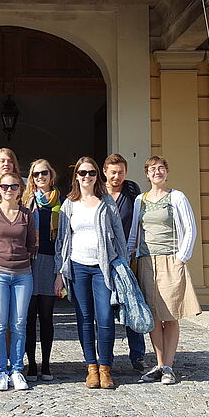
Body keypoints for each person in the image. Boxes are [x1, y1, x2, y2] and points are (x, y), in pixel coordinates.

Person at [54, 157, 127, 390]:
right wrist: (59, 271)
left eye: (91, 173)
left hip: (102, 267)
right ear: (76, 176)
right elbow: (62, 240)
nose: (87, 177)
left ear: (97, 175)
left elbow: (119, 235)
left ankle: (106, 368)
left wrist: (123, 266)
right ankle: (92, 368)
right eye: (83, 173)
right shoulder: (69, 204)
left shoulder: (106, 201)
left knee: (104, 318)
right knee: (84, 318)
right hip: (77, 266)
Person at [127, 156, 200, 385]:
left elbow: (190, 228)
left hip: (170, 260)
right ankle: (159, 364)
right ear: (147, 174)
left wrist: (181, 258)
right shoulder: (140, 200)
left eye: (161, 168)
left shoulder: (177, 197)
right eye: (152, 169)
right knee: (154, 317)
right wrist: (129, 256)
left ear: (167, 172)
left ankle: (169, 365)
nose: (157, 172)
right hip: (147, 261)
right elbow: (134, 231)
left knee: (170, 314)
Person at [0, 171, 37, 392]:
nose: (9, 190)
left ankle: (16, 370)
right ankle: (1, 371)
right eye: (4, 186)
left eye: (13, 186)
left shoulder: (27, 215)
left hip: (23, 274)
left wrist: (19, 259)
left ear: (20, 189)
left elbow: (32, 244)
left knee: (19, 324)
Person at [103, 153, 146, 373]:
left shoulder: (131, 189)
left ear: (125, 172)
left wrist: (135, 251)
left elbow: (139, 221)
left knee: (132, 303)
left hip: (127, 258)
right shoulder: (98, 192)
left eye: (120, 172)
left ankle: (138, 355)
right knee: (105, 310)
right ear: (105, 172)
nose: (116, 176)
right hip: (103, 259)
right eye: (113, 172)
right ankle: (105, 358)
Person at [22, 159, 61, 381]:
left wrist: (60, 271)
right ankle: (32, 364)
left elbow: (64, 237)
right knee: (29, 317)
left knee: (46, 316)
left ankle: (46, 364)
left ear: (51, 174)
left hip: (50, 261)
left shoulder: (61, 202)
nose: (40, 177)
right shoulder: (26, 201)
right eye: (36, 174)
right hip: (29, 262)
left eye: (44, 173)